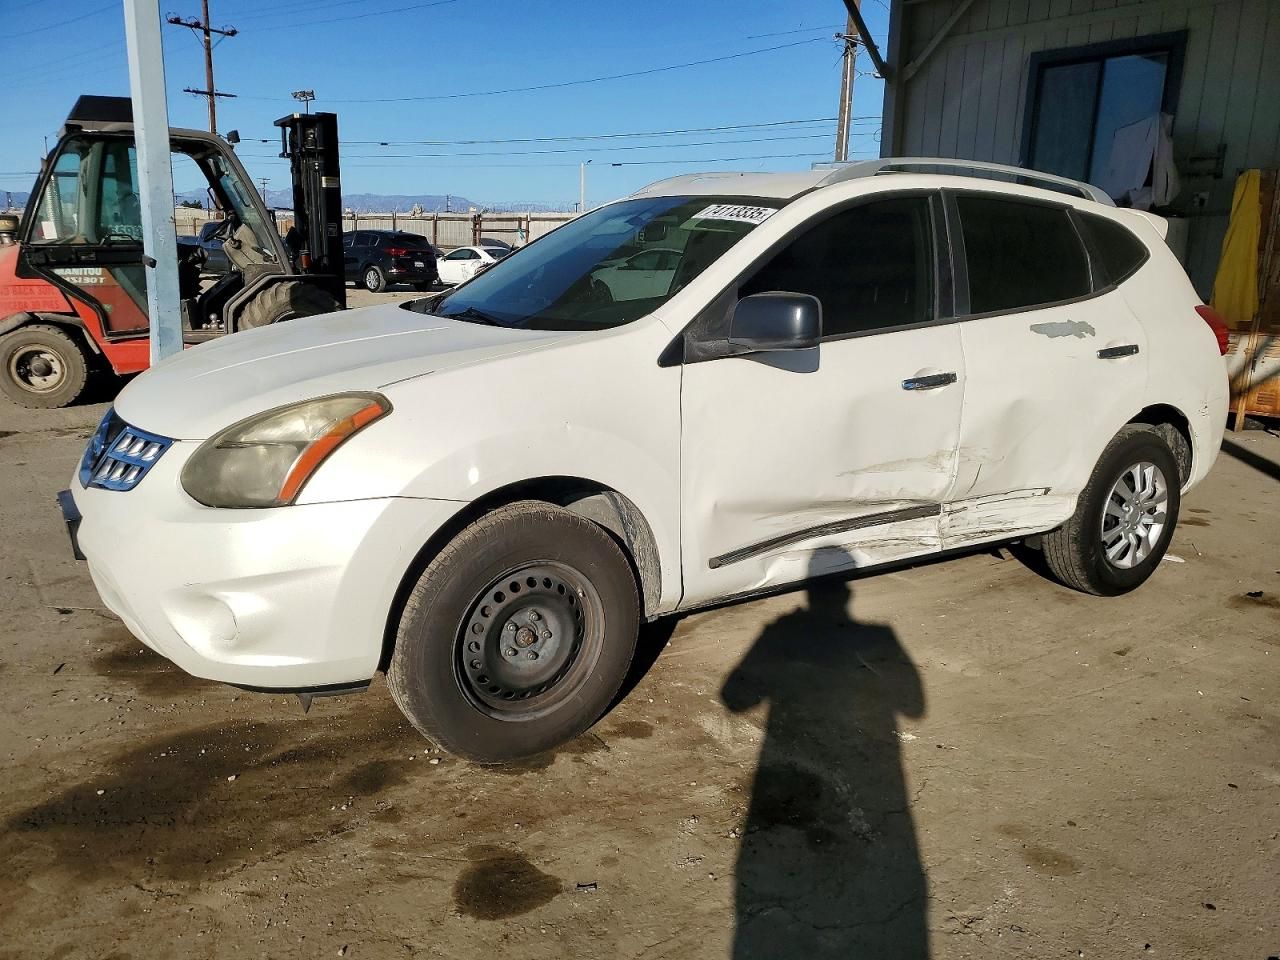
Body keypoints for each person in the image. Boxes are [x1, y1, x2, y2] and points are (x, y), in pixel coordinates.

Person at [722, 549, 929, 959]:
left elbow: (733, 698)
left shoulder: (778, 631)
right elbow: (915, 708)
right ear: (847, 590)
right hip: (878, 788)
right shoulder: (880, 636)